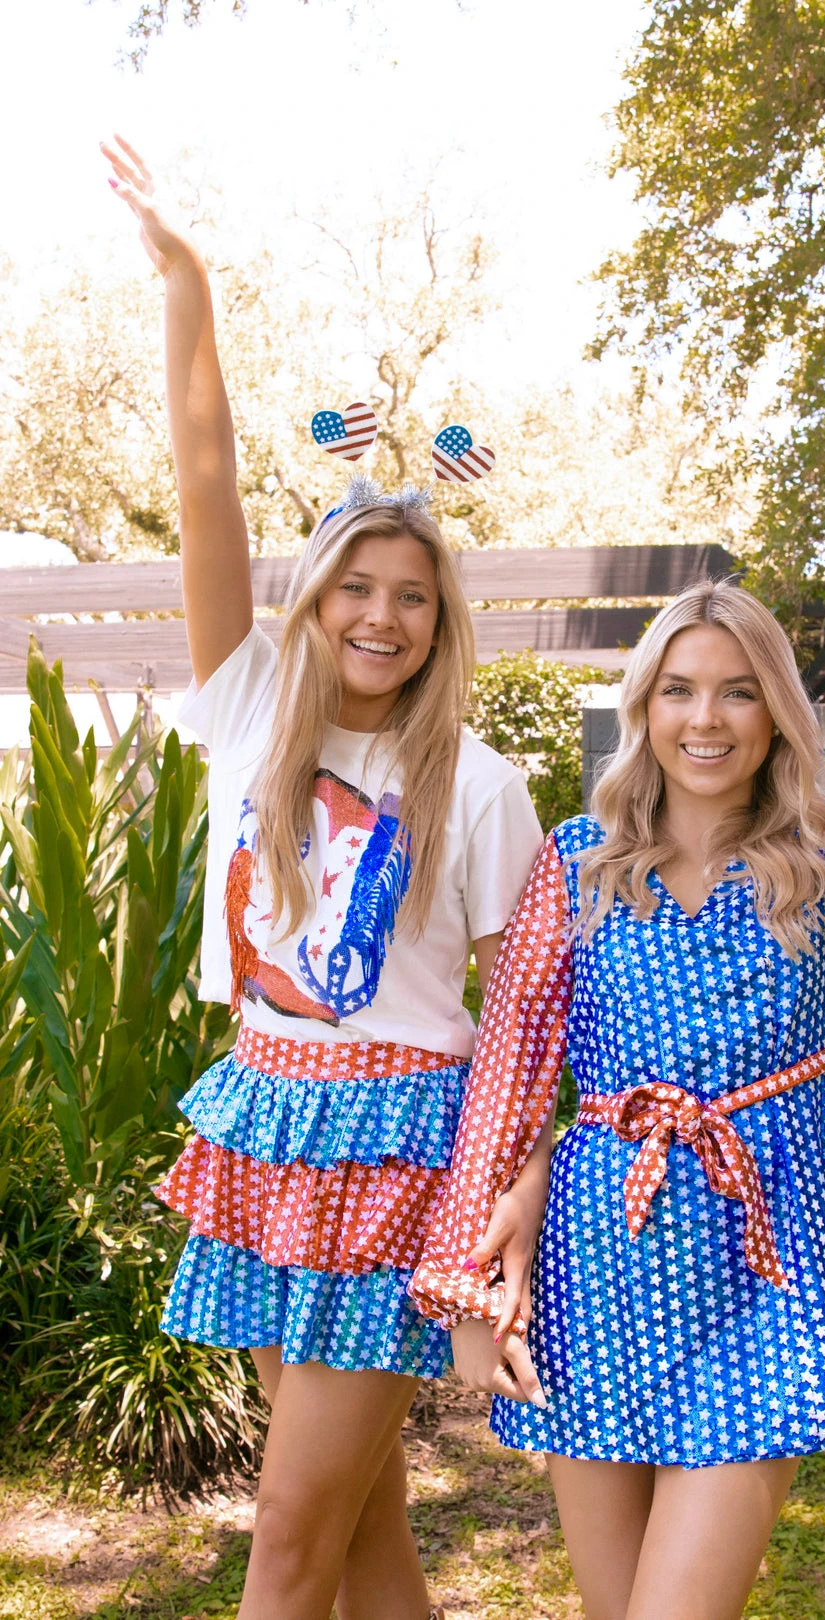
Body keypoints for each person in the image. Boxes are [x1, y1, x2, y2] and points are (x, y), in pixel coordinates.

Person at [409, 264, 825, 1620]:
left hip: (764, 1257)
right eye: (679, 689)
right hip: (596, 1270)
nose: (708, 718)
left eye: (741, 691)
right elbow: (512, 1067)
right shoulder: (575, 863)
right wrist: (461, 1288)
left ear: (779, 712)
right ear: (643, 707)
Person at [103, 136, 543, 1620]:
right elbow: (205, 482)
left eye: (413, 599)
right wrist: (189, 286)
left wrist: (518, 1177)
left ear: (440, 625)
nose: (382, 615)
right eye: (357, 587)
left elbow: (539, 996)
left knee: (289, 1536)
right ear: (316, 602)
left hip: (398, 1151)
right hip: (269, 1120)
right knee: (359, 1536)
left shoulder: (478, 788)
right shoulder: (245, 712)